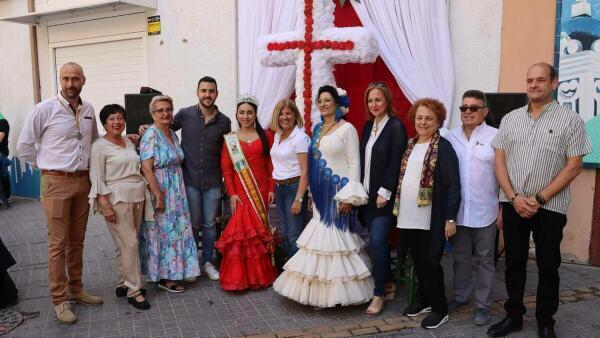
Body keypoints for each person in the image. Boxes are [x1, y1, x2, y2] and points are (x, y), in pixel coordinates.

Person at [487, 62, 592, 338]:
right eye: (529, 80)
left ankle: (546, 320)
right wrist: (513, 197)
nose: (533, 85)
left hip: (550, 207)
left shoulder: (570, 120)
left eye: (540, 80)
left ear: (554, 84)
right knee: (514, 263)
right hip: (513, 203)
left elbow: (574, 166)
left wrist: (540, 197)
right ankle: (514, 316)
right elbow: (499, 159)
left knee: (548, 265)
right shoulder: (511, 119)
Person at [17, 62, 103, 325]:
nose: (70, 84)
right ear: (60, 80)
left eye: (75, 79)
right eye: (65, 78)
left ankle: (76, 289)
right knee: (58, 244)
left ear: (83, 80)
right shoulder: (44, 110)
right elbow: (24, 147)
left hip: (82, 182)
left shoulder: (89, 110)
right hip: (55, 182)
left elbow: (94, 141)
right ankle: (59, 299)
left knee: (77, 240)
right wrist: (46, 168)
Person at [274, 85, 373, 308]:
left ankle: (338, 292)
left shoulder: (347, 129)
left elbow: (354, 162)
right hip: (320, 194)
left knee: (336, 241)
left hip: (339, 193)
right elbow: (314, 164)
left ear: (337, 104)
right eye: (320, 100)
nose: (323, 104)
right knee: (320, 241)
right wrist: (309, 193)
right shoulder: (318, 129)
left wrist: (349, 196)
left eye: (328, 100)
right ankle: (319, 291)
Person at [139, 76, 230, 281]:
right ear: (198, 92)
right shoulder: (185, 115)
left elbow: (227, 152)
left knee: (209, 225)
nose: (207, 95)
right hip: (187, 182)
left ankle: (207, 262)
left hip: (213, 181)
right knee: (191, 224)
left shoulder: (225, 121)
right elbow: (162, 125)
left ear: (217, 93)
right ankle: (190, 264)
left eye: (211, 91)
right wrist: (144, 127)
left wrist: (227, 180)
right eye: (204, 90)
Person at [393, 98, 461, 330]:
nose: (423, 122)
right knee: (419, 261)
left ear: (439, 121)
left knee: (432, 262)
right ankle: (423, 300)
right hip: (408, 215)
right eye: (420, 117)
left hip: (432, 218)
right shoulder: (411, 145)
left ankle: (440, 309)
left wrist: (450, 218)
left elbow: (453, 184)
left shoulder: (444, 147)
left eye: (429, 118)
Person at [88, 104, 151, 310]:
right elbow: (96, 176)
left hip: (138, 197)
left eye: (120, 118)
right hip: (116, 200)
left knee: (123, 244)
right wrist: (104, 204)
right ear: (104, 123)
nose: (117, 122)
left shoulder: (128, 141)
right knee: (130, 243)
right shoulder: (99, 146)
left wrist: (136, 138)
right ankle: (134, 290)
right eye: (112, 119)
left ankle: (122, 283)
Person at [446, 90, 499, 326]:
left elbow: (505, 175)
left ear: (484, 111)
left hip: (486, 210)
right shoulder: (449, 137)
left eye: (473, 108)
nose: (468, 112)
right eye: (464, 108)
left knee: (485, 260)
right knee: (460, 258)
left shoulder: (496, 136)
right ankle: (460, 296)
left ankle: (482, 305)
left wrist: (503, 209)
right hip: (458, 212)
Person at [215, 95, 278, 291]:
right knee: (242, 235)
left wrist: (271, 188)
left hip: (261, 191)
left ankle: (259, 276)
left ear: (255, 114)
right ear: (236, 114)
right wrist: (232, 193)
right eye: (242, 112)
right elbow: (227, 169)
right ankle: (240, 278)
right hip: (241, 192)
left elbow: (270, 164)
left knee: (259, 232)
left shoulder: (266, 135)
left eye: (249, 112)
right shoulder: (231, 139)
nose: (245, 116)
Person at [139, 95, 200, 293]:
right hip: (162, 189)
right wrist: (159, 194)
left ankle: (176, 271)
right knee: (163, 234)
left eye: (168, 109)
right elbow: (146, 168)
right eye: (160, 110)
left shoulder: (172, 134)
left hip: (177, 190)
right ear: (152, 114)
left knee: (177, 232)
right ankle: (165, 277)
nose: (165, 113)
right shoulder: (150, 135)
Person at [359, 82, 407, 316]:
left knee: (377, 242)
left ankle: (378, 295)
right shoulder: (369, 126)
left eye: (378, 99)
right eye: (370, 100)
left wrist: (385, 192)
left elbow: (396, 161)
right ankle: (388, 282)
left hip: (383, 199)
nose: (374, 104)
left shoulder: (396, 126)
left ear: (387, 100)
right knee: (377, 244)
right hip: (367, 197)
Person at [269, 99, 310, 259]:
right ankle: (290, 273)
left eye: (288, 113)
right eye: (281, 113)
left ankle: (299, 276)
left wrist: (299, 199)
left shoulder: (300, 138)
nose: (284, 117)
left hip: (294, 188)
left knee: (294, 236)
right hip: (280, 189)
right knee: (284, 233)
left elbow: (305, 171)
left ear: (295, 115)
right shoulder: (278, 135)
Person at [0, 111, 10, 203]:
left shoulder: (2, 122)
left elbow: (1, 137)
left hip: (1, 153)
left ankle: (6, 197)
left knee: (3, 175)